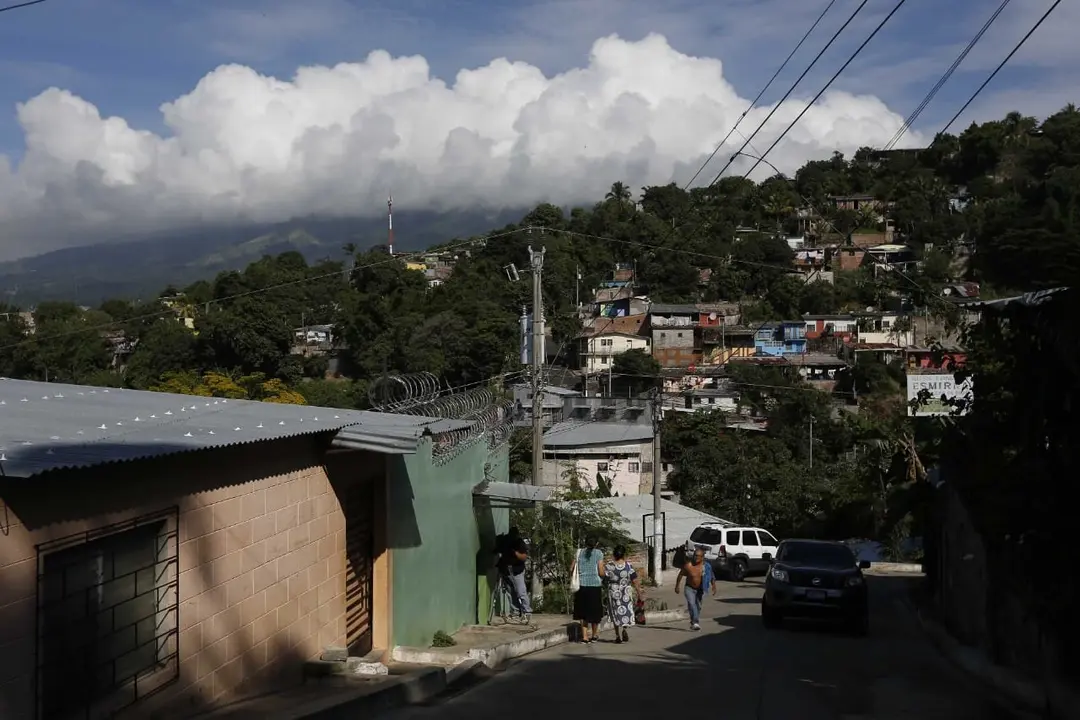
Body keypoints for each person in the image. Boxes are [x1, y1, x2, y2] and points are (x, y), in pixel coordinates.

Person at [604, 545, 642, 644]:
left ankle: (617, 636)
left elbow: (605, 579)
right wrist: (639, 593)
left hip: (613, 592)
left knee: (615, 612)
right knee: (626, 611)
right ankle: (624, 629)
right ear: (623, 555)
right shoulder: (628, 566)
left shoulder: (609, 566)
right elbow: (635, 580)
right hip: (626, 592)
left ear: (614, 554)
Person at [571, 536, 605, 643]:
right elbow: (600, 572)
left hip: (581, 586)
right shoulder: (598, 553)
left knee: (583, 611)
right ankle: (594, 635)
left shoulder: (578, 552)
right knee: (595, 611)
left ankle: (585, 637)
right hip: (595, 586)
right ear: (596, 543)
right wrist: (604, 575)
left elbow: (571, 568)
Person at [674, 548, 716, 630]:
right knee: (692, 604)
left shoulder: (706, 566)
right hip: (689, 588)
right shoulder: (688, 565)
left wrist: (714, 586)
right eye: (695, 555)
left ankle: (693, 621)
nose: (696, 557)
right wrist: (677, 586)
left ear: (702, 557)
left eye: (698, 556)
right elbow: (680, 575)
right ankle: (695, 622)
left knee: (698, 606)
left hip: (700, 589)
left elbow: (711, 576)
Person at [495, 527, 531, 618]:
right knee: (510, 592)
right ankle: (515, 611)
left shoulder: (519, 543)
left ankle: (526, 611)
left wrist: (515, 553)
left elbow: (523, 557)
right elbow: (497, 550)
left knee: (520, 592)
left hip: (517, 571)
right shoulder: (506, 541)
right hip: (506, 570)